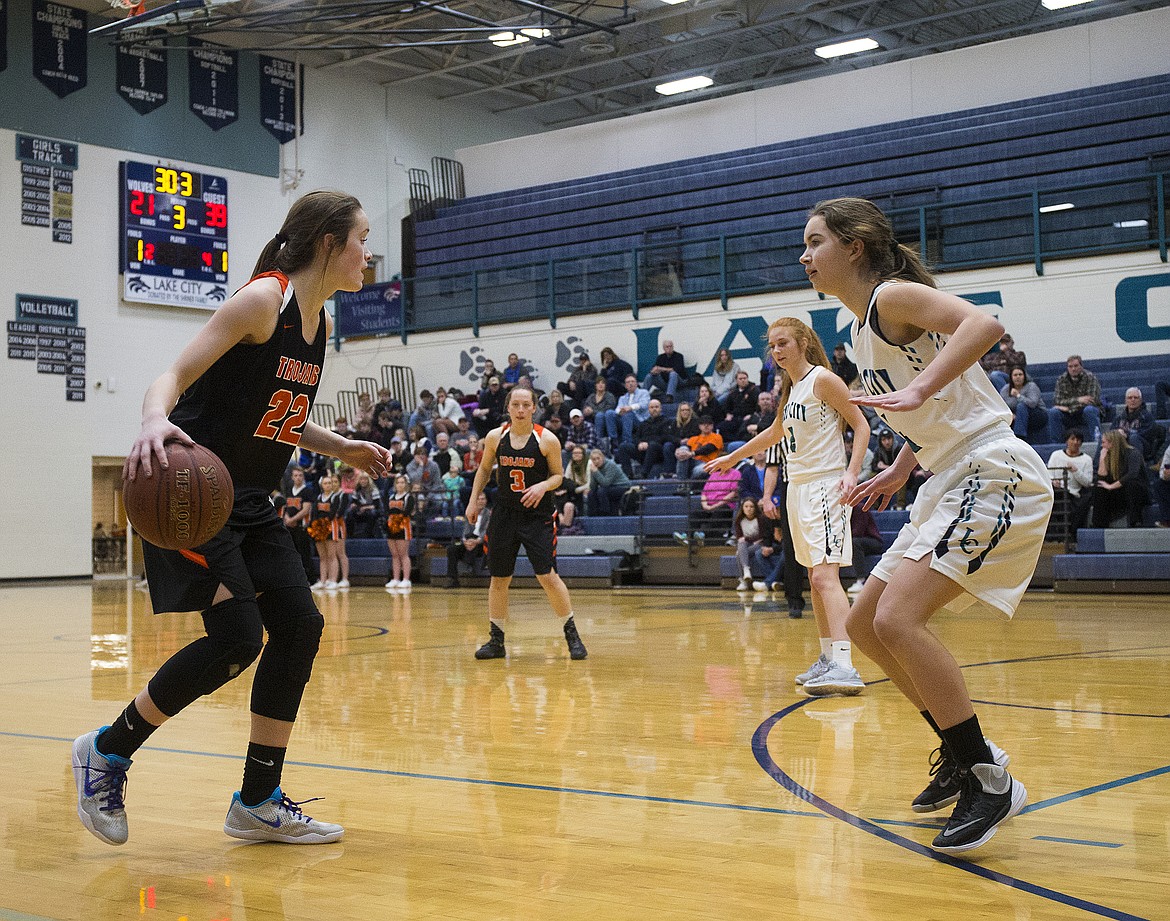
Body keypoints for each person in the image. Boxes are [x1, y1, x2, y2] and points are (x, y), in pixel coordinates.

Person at [73, 190, 391, 848]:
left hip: (251, 500)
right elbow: (172, 377)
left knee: (299, 625)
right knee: (239, 637)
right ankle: (106, 749)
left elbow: (277, 413)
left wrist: (343, 446)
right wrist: (155, 418)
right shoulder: (261, 301)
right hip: (195, 501)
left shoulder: (319, 322)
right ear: (330, 242)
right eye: (363, 237)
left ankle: (257, 799)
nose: (370, 252)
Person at [802, 197, 1052, 854]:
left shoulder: (892, 297)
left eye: (814, 242)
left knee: (897, 620)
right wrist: (900, 466)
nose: (804, 256)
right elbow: (936, 401)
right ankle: (963, 747)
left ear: (854, 246)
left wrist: (915, 395)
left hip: (994, 468)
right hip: (947, 475)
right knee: (863, 624)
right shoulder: (858, 327)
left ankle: (988, 778)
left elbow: (985, 324)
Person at [706, 316, 870, 698]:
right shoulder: (791, 388)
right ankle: (829, 657)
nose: (777, 351)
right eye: (773, 346)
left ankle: (846, 665)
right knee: (814, 578)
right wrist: (735, 457)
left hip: (826, 486)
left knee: (826, 578)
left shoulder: (824, 380)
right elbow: (776, 431)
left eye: (783, 344)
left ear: (803, 344)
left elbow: (861, 425)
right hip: (796, 488)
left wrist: (851, 473)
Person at [466, 386, 588, 661]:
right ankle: (496, 641)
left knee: (547, 576)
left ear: (534, 408)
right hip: (505, 514)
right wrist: (474, 500)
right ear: (508, 407)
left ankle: (573, 637)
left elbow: (558, 476)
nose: (520, 410)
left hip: (538, 516)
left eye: (526, 405)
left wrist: (542, 486)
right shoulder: (495, 437)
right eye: (515, 405)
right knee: (499, 578)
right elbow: (485, 469)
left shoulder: (547, 440)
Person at [1091, 429, 1148, 528]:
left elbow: (1132, 474)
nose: (1101, 445)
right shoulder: (1108, 455)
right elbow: (1101, 478)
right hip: (1119, 492)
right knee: (1099, 486)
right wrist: (1102, 459)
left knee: (1131, 484)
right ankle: (1099, 524)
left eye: (1104, 442)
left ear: (1112, 443)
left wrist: (1111, 486)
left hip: (1137, 491)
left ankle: (1135, 521)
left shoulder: (1133, 453)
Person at [1048, 355, 1103, 442]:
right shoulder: (1061, 379)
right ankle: (1056, 444)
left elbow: (1092, 400)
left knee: (1089, 410)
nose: (1073, 369)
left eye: (1076, 366)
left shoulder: (1090, 377)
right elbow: (1057, 401)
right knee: (1053, 412)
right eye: (1070, 366)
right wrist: (1078, 400)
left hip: (1085, 412)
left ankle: (1097, 441)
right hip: (1069, 415)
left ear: (1081, 366)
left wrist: (1069, 407)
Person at [1047, 430, 1094, 533]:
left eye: (1078, 440)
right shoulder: (1056, 455)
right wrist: (1053, 481)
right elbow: (1049, 474)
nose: (1075, 442)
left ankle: (1061, 534)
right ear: (1067, 441)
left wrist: (1076, 471)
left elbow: (1087, 482)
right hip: (1056, 490)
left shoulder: (1087, 459)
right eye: (1072, 439)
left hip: (1073, 493)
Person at [310, 473, 350, 590]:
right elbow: (314, 513)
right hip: (319, 528)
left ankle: (334, 579)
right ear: (321, 485)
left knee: (334, 555)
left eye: (330, 483)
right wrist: (315, 525)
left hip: (331, 527)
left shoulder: (336, 497)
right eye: (326, 483)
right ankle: (323, 580)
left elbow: (334, 513)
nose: (328, 485)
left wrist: (324, 522)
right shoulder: (318, 498)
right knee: (323, 556)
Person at [616, 397, 671, 478]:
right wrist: (639, 443)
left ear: (660, 409)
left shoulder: (667, 421)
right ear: (648, 409)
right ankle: (628, 475)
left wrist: (647, 444)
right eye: (652, 407)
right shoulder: (644, 423)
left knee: (652, 445)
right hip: (643, 452)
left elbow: (665, 437)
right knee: (623, 447)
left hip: (658, 452)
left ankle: (644, 474)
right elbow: (636, 437)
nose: (654, 409)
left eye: (656, 407)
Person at [280, 466, 317, 583]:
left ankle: (311, 579)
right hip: (290, 527)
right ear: (292, 477)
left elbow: (306, 509)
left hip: (302, 527)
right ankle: (296, 580)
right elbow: (286, 507)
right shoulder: (289, 490)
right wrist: (286, 518)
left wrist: (293, 519)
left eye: (300, 475)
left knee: (305, 554)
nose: (298, 478)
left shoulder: (307, 491)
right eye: (296, 475)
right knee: (292, 554)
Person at [447, 493, 490, 587]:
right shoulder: (470, 512)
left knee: (475, 541)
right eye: (479, 499)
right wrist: (465, 541)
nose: (481, 501)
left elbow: (486, 532)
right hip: (469, 540)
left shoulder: (489, 514)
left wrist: (477, 541)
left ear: (486, 501)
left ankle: (469, 566)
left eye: (483, 499)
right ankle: (452, 579)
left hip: (481, 543)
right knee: (452, 549)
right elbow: (465, 530)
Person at [1115, 387, 1165, 463]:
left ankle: (1137, 469)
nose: (1133, 400)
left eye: (1136, 397)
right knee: (1105, 438)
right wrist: (1116, 433)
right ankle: (1097, 469)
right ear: (1125, 400)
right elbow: (1111, 432)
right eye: (1130, 397)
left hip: (1143, 448)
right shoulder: (1119, 418)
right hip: (1123, 446)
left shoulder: (1147, 416)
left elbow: (1147, 435)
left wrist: (1126, 435)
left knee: (1134, 438)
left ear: (1140, 400)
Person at [383, 473, 415, 590]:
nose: (400, 484)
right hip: (391, 527)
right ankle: (395, 579)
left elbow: (407, 512)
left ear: (406, 484)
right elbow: (387, 511)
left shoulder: (408, 497)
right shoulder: (391, 497)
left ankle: (406, 579)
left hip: (403, 527)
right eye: (398, 482)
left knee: (403, 554)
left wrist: (398, 518)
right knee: (395, 555)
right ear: (395, 484)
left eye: (402, 482)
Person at [1000, 366, 1047, 444]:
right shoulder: (1006, 389)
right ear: (1011, 377)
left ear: (1024, 376)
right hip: (1016, 416)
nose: (1018, 377)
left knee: (1021, 406)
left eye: (1020, 374)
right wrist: (1011, 414)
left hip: (1037, 414)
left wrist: (1018, 396)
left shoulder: (1031, 386)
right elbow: (1001, 405)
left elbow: (1032, 403)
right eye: (1015, 375)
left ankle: (1019, 437)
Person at [603, 374, 651, 450]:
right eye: (628, 382)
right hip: (625, 419)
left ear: (636, 383)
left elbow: (644, 404)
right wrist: (620, 412)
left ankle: (626, 441)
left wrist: (630, 408)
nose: (630, 384)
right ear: (625, 385)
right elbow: (617, 409)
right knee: (609, 413)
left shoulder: (643, 392)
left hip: (640, 421)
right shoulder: (623, 397)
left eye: (632, 381)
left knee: (628, 414)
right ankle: (613, 440)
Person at [584, 447, 631, 516]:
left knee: (602, 491)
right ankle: (592, 514)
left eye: (598, 458)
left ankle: (605, 513)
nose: (596, 461)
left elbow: (606, 483)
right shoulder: (594, 468)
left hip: (622, 486)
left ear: (602, 458)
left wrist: (596, 472)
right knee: (591, 493)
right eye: (594, 459)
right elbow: (593, 486)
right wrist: (593, 473)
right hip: (610, 487)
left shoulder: (610, 465)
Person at [733, 497, 767, 591]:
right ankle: (746, 570)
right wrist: (747, 539)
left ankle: (743, 581)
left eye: (751, 506)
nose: (749, 509)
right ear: (742, 508)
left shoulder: (760, 519)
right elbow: (739, 537)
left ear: (755, 508)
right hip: (747, 544)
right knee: (741, 545)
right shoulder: (739, 520)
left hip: (759, 544)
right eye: (746, 506)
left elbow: (762, 536)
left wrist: (748, 538)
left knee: (739, 554)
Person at [345, 470, 383, 539]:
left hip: (371, 509)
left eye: (365, 479)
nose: (363, 481)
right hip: (360, 509)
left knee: (372, 513)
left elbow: (376, 505)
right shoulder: (357, 490)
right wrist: (353, 505)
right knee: (349, 513)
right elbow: (354, 502)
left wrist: (365, 508)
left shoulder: (373, 490)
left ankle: (368, 535)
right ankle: (350, 536)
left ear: (368, 480)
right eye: (361, 479)